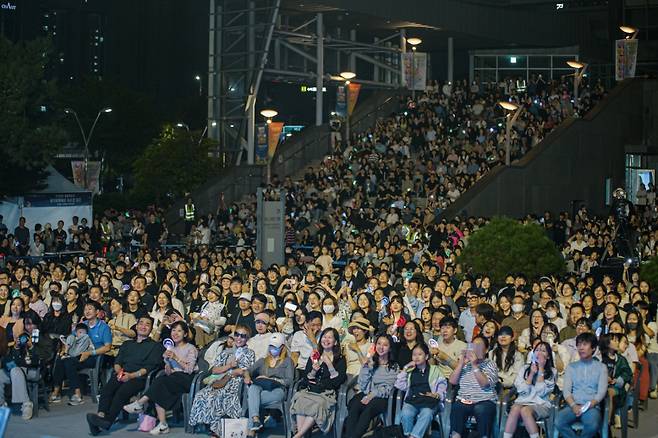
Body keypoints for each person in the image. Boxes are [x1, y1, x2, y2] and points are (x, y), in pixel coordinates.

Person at [86, 316, 164, 435]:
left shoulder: (155, 346)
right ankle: (100, 416)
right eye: (141, 323)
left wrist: (131, 375)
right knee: (107, 389)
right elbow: (118, 361)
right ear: (136, 326)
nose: (143, 326)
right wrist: (119, 372)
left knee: (122, 392)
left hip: (139, 377)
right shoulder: (127, 344)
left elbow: (150, 368)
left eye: (147, 324)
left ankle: (107, 421)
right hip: (122, 374)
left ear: (151, 329)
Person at [123, 321, 198, 435]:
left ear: (185, 334)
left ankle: (141, 403)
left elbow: (189, 370)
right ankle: (162, 424)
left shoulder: (191, 348)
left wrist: (176, 358)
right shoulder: (170, 348)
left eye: (179, 331)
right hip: (173, 379)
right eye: (173, 330)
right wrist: (167, 364)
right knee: (160, 384)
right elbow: (169, 370)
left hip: (187, 379)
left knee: (161, 381)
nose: (175, 333)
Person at [188, 324, 255, 436]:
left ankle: (216, 430)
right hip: (220, 380)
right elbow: (214, 370)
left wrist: (233, 371)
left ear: (247, 339)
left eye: (243, 336)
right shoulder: (225, 352)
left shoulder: (249, 353)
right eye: (237, 334)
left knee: (217, 397)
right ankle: (208, 425)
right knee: (201, 394)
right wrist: (229, 366)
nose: (239, 338)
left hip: (235, 383)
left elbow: (244, 371)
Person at [50, 301, 112, 405]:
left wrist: (89, 353)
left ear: (97, 312)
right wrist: (65, 351)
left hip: (94, 356)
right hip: (77, 353)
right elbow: (71, 339)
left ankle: (77, 394)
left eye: (90, 309)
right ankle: (56, 391)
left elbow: (107, 347)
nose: (87, 311)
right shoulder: (82, 325)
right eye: (85, 309)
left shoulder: (104, 327)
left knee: (69, 362)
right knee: (62, 360)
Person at [289, 327, 347, 438]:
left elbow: (338, 381)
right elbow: (306, 378)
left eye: (330, 337)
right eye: (324, 337)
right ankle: (301, 436)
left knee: (316, 405)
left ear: (335, 342)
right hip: (311, 390)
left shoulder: (340, 358)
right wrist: (313, 371)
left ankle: (298, 435)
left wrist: (330, 365)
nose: (326, 339)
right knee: (300, 400)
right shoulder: (315, 355)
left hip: (326, 393)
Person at [344, 334, 399, 438]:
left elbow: (388, 388)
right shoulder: (372, 362)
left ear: (390, 348)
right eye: (379, 344)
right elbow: (362, 384)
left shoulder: (394, 366)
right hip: (367, 392)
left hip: (382, 397)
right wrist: (366, 366)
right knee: (354, 405)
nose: (381, 347)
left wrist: (372, 395)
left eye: (385, 345)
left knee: (368, 410)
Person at [555, 332, 608, 438]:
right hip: (572, 406)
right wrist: (573, 405)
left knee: (592, 425)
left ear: (593, 348)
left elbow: (601, 392)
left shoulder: (601, 367)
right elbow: (566, 391)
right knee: (558, 421)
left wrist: (588, 406)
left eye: (585, 344)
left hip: (591, 407)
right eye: (579, 345)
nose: (581, 348)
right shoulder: (571, 367)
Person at [0, 312, 52, 420]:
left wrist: (32, 347)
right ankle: (1, 404)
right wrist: (17, 347)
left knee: (15, 371)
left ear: (37, 324)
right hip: (18, 368)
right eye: (27, 324)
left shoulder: (44, 337)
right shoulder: (22, 336)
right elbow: (13, 357)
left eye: (32, 324)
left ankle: (26, 404)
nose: (29, 327)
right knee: (1, 373)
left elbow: (46, 356)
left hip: (34, 370)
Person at [502, 341, 556, 438]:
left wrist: (541, 370)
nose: (539, 353)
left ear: (548, 356)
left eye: (543, 351)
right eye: (537, 350)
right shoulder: (524, 368)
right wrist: (531, 374)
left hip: (540, 404)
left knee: (525, 410)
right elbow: (521, 391)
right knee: (514, 408)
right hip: (522, 401)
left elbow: (541, 392)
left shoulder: (552, 372)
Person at [449, 335, 499, 438]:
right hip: (464, 399)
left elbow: (484, 383)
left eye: (479, 346)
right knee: (457, 408)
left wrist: (475, 365)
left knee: (481, 409)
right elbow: (452, 381)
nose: (475, 349)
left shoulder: (490, 364)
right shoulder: (465, 365)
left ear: (486, 350)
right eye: (473, 346)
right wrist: (461, 364)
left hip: (485, 401)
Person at [244, 333, 294, 435]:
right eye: (271, 346)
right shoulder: (263, 361)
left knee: (252, 399)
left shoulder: (287, 361)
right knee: (253, 388)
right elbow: (248, 370)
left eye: (275, 347)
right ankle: (256, 420)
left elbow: (289, 380)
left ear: (282, 347)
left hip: (278, 389)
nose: (272, 349)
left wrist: (271, 379)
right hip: (261, 388)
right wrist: (248, 377)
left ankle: (251, 431)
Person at [395, 342, 447, 438]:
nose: (416, 357)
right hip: (412, 400)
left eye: (420, 354)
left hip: (429, 401)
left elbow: (442, 385)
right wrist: (405, 368)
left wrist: (437, 394)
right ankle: (408, 435)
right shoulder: (410, 371)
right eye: (414, 355)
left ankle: (413, 436)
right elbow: (399, 385)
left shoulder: (435, 370)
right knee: (406, 413)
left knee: (427, 413)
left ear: (426, 356)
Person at [598, 333, 632, 428]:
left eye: (617, 340)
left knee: (609, 393)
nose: (617, 343)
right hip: (599, 386)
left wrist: (617, 380)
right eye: (615, 340)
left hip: (616, 388)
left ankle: (607, 423)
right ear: (607, 343)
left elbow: (628, 373)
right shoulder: (599, 358)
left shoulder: (621, 360)